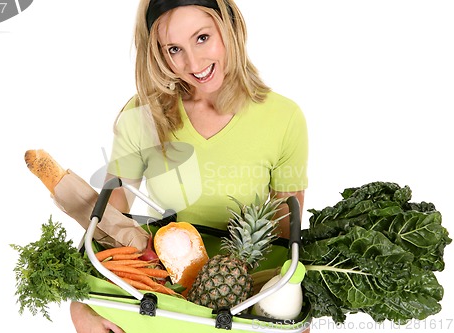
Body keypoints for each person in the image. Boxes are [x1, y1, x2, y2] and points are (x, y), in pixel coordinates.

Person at [70, 0, 309, 332]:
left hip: (241, 301)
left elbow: (285, 235)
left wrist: (286, 312)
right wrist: (84, 303)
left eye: (202, 38)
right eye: (174, 49)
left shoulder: (284, 118)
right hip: (160, 298)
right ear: (158, 53)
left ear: (230, 27)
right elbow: (110, 214)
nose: (194, 63)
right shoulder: (144, 114)